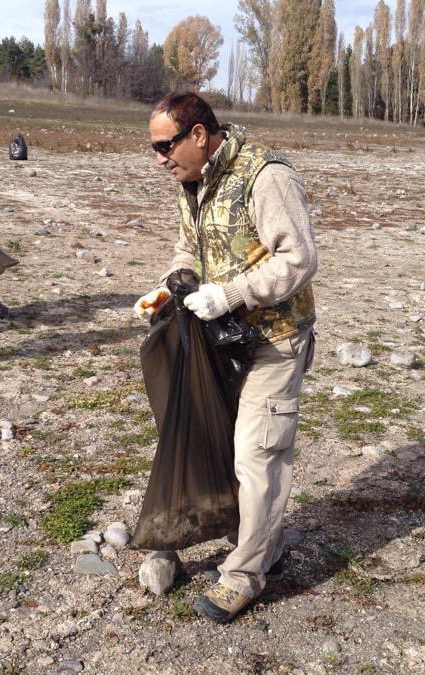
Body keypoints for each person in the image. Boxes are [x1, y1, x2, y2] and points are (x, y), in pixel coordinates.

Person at [135, 91, 318, 623]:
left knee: (258, 454)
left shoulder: (266, 177)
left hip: (274, 340)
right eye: (153, 148)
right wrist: (169, 288)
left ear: (198, 134)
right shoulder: (191, 184)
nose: (159, 158)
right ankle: (262, 542)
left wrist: (232, 293)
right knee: (228, 445)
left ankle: (243, 575)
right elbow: (188, 248)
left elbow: (299, 258)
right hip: (223, 343)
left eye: (165, 145)